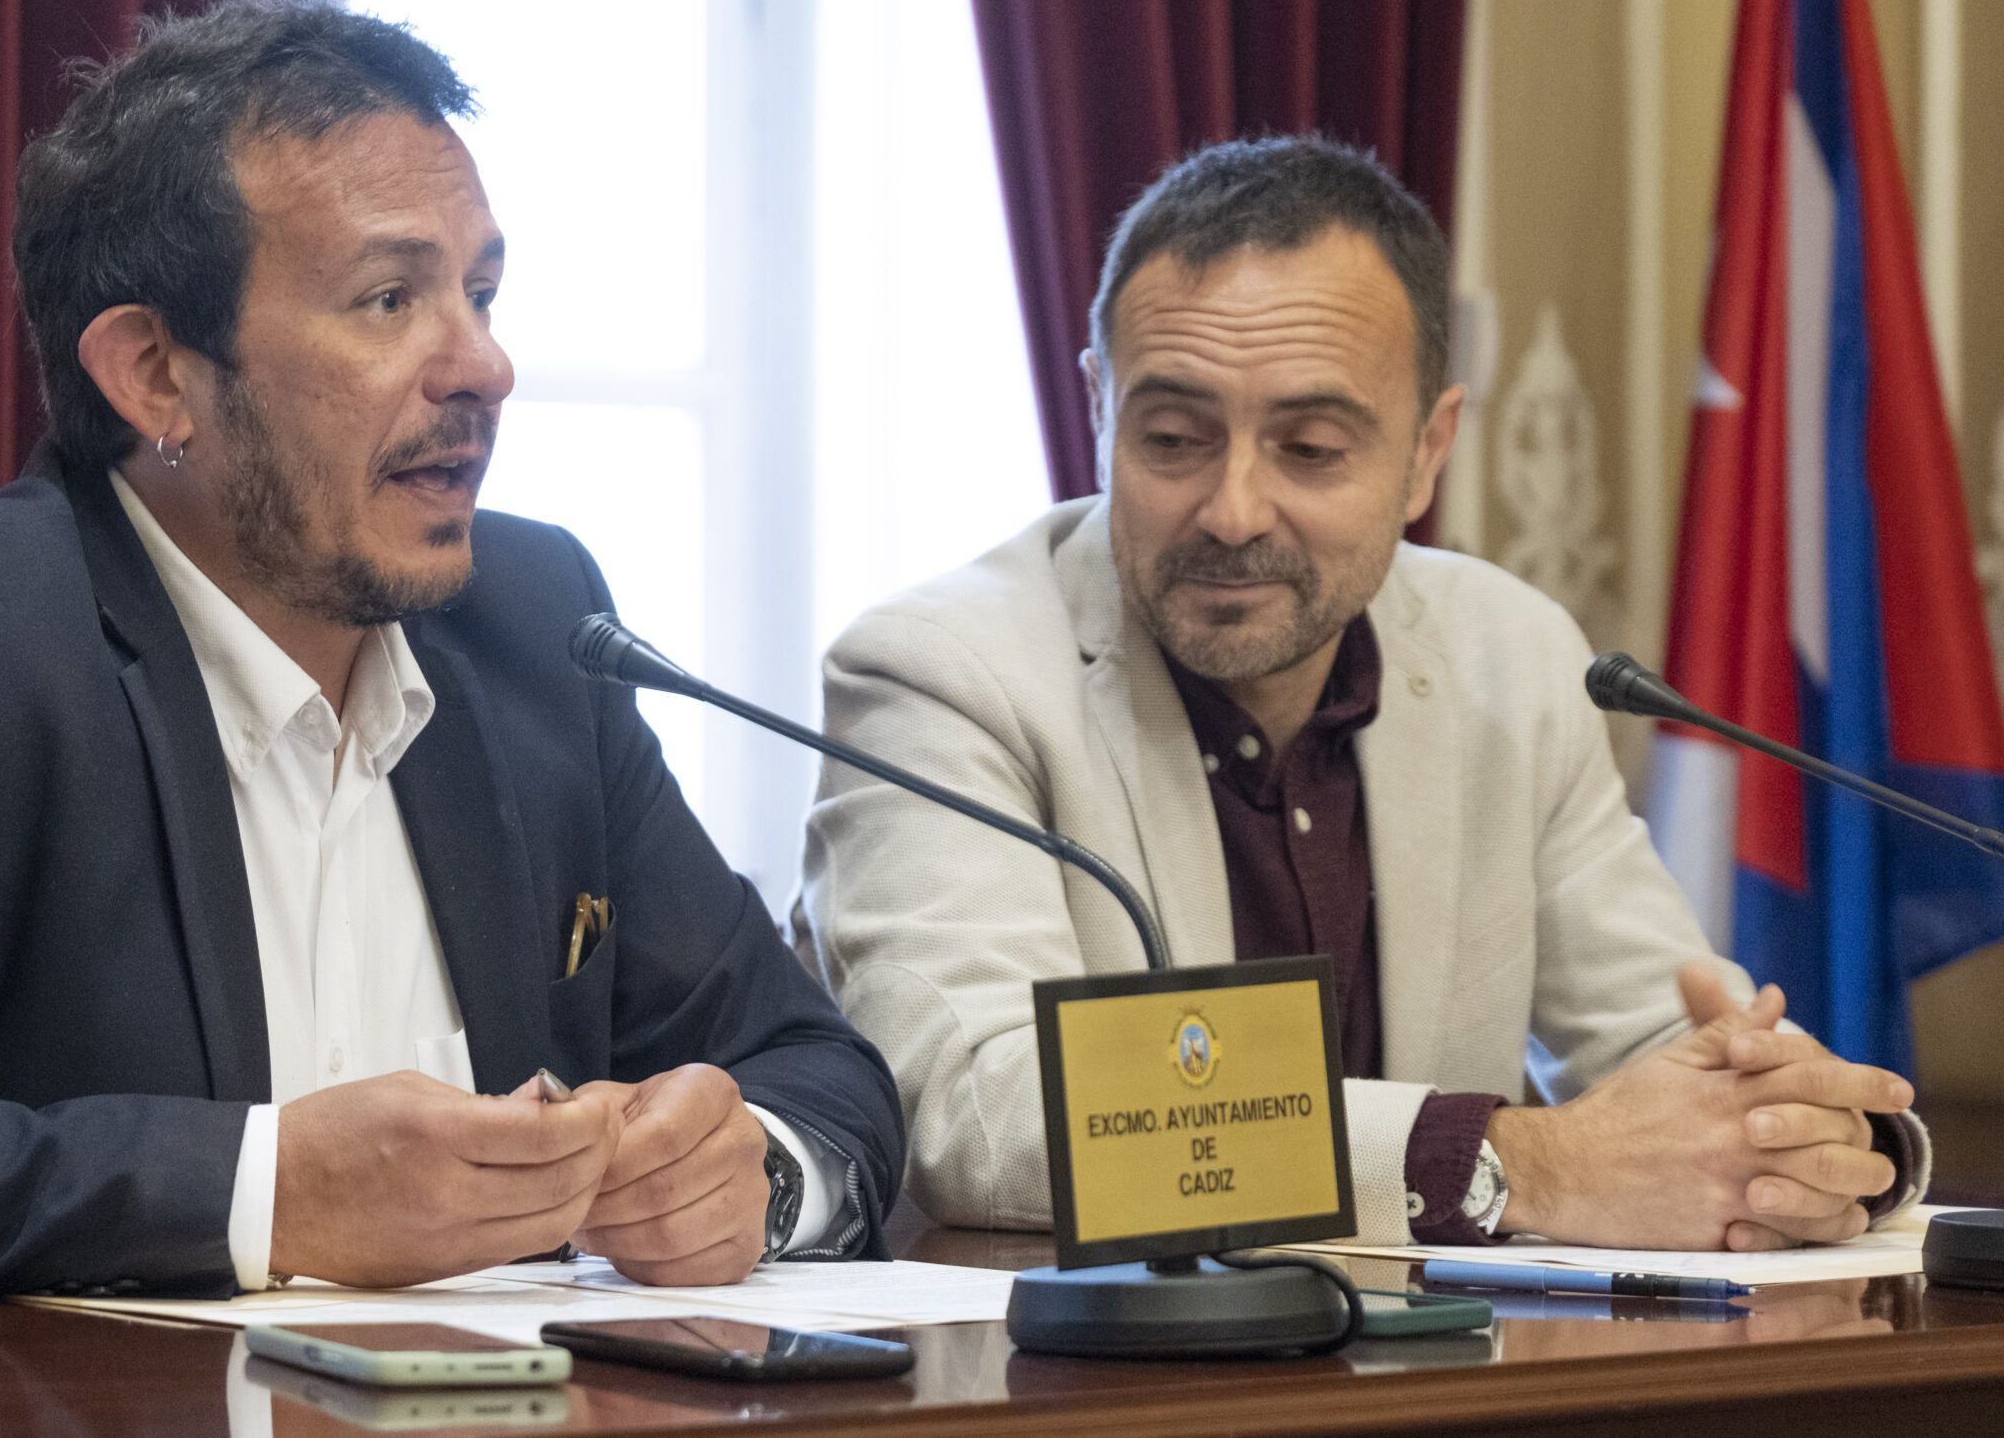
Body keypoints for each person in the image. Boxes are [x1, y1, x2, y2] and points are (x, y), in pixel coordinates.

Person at [0, 0, 902, 1299]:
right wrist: (264, 1189)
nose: (481, 363)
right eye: (389, 299)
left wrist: (753, 1172)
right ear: (154, 375)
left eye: (481, 293)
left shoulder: (536, 627)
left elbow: (813, 1064)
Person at [798, 135, 1927, 1251]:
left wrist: (1816, 1148)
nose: (1232, 510)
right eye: (1174, 437)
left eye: (1311, 450)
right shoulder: (939, 672)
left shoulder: (1507, 653)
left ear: (1429, 449)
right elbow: (976, 1110)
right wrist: (1515, 1165)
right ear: (1098, 407)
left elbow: (1661, 1035)